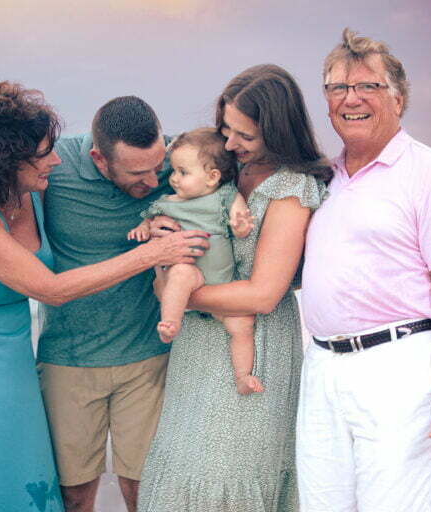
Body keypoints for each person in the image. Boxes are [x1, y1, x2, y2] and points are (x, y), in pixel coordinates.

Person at [0, 83, 208, 512]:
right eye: (45, 153)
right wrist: (152, 254)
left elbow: (223, 164)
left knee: (28, 472)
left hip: (17, 347)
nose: (57, 159)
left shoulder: (39, 184)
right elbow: (49, 288)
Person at [297, 29, 431, 512]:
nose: (351, 98)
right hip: (322, 370)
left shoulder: (430, 171)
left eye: (368, 86)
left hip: (400, 370)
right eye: (338, 88)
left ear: (398, 99)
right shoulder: (324, 179)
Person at [137, 64, 331, 511]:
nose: (229, 144)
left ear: (277, 131)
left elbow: (264, 294)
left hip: (252, 345)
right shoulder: (218, 169)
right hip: (194, 346)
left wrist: (178, 295)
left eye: (245, 135)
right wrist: (162, 236)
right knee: (183, 465)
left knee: (227, 471)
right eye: (225, 129)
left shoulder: (292, 188)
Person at [128, 127, 262, 395]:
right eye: (174, 170)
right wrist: (142, 229)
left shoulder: (225, 195)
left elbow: (239, 219)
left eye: (183, 172)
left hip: (224, 285)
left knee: (242, 325)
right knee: (180, 274)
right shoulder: (168, 202)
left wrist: (240, 226)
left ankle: (243, 376)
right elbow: (150, 220)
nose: (174, 178)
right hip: (194, 273)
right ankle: (171, 322)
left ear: (212, 177)